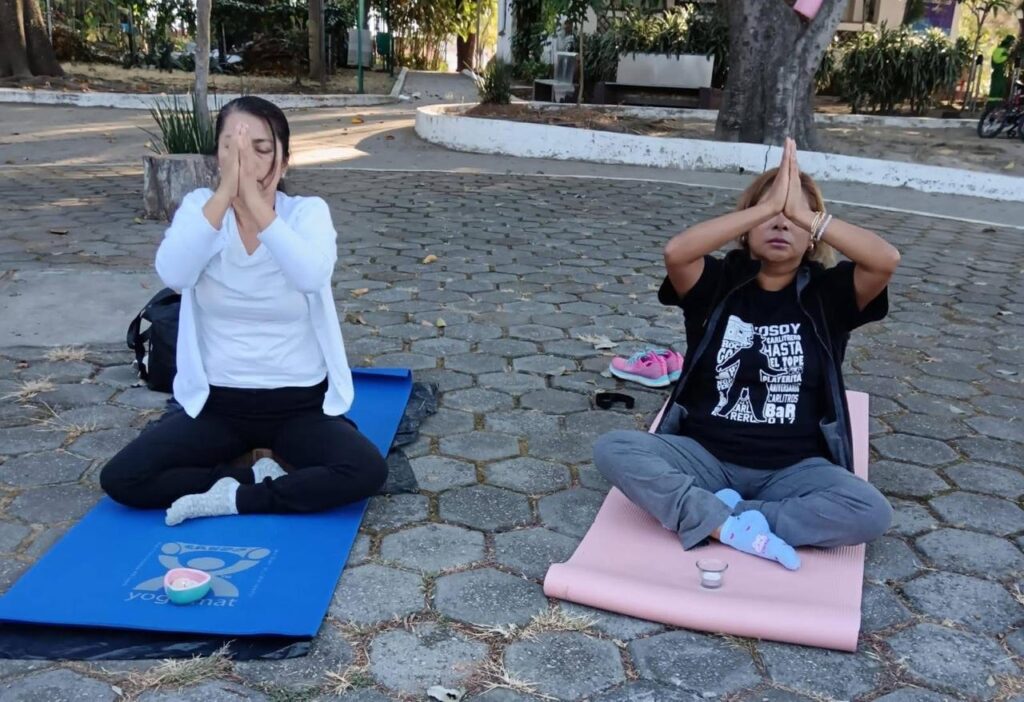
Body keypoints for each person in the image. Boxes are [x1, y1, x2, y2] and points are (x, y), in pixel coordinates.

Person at [593, 139, 900, 570]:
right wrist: (766, 206)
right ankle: (728, 523)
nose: (781, 223)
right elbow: (676, 252)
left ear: (812, 235)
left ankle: (727, 521)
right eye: (769, 216)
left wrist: (805, 213)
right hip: (703, 457)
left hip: (791, 471)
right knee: (614, 448)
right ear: (747, 226)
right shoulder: (717, 282)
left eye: (793, 218)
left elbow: (885, 260)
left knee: (870, 511)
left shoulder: (828, 294)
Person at [100, 96, 387, 526]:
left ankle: (239, 499)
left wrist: (254, 202)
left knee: (366, 470)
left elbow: (310, 275)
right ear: (217, 158)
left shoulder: (307, 214)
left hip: (298, 406)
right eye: (231, 149)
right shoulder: (201, 211)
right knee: (123, 478)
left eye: (261, 148)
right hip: (219, 407)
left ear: (285, 161)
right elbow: (174, 274)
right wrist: (224, 199)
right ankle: (243, 478)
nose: (245, 161)